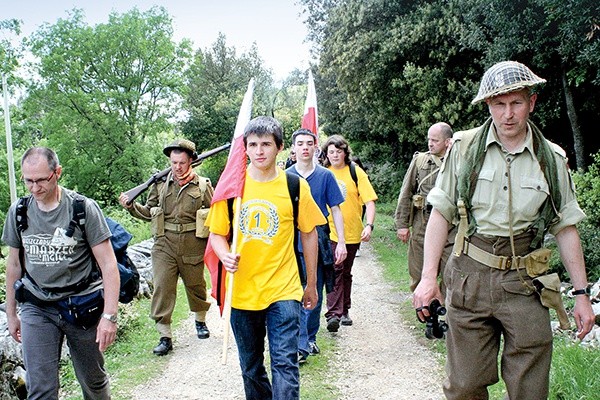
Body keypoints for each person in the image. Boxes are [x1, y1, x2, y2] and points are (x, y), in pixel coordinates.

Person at [413, 61, 595, 399]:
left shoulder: (551, 159)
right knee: (464, 386)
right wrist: (427, 278)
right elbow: (441, 212)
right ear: (488, 106)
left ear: (532, 103)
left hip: (525, 281)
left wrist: (582, 295)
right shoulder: (464, 149)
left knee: (530, 388)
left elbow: (566, 227)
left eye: (516, 103)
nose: (507, 114)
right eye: (498, 104)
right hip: (470, 275)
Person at [206, 116, 325, 399]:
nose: (259, 151)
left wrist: (310, 283)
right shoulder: (232, 188)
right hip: (242, 291)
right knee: (251, 367)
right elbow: (216, 234)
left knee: (285, 363)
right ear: (245, 149)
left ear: (280, 148)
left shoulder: (295, 186)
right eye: (253, 144)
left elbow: (309, 234)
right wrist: (224, 256)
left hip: (283, 288)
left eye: (266, 144)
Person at [2, 147, 119, 399]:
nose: (34, 188)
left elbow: (109, 264)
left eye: (41, 180)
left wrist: (109, 315)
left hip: (82, 304)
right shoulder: (19, 212)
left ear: (57, 173)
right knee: (40, 388)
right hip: (37, 306)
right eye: (28, 181)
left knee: (93, 381)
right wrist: (11, 314)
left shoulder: (82, 208)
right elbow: (13, 265)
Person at [119, 139, 213, 356]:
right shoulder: (160, 185)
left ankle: (200, 321)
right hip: (164, 243)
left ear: (191, 161)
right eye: (173, 162)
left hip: (193, 243)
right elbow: (148, 211)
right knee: (162, 287)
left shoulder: (202, 185)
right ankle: (165, 335)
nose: (177, 167)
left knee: (196, 284)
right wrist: (132, 207)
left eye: (181, 162)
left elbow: (216, 211)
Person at [287, 128, 347, 363]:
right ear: (293, 148)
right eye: (299, 143)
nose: (304, 147)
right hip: (292, 239)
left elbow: (335, 208)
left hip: (319, 238)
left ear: (315, 147)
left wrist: (340, 241)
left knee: (316, 287)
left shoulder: (325, 176)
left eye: (308, 143)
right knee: (296, 289)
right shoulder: (286, 176)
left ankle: (309, 337)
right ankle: (299, 343)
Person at [321, 135, 378, 331]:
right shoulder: (323, 172)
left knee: (345, 271)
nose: (335, 155)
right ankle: (333, 314)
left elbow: (370, 200)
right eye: (331, 152)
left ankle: (344, 309)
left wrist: (369, 225)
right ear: (326, 154)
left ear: (345, 152)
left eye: (338, 151)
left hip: (352, 231)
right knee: (335, 269)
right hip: (329, 231)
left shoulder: (356, 172)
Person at [395, 122, 453, 292]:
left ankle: (443, 308)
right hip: (422, 223)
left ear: (448, 142)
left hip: (451, 226)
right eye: (429, 139)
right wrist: (402, 225)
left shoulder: (456, 162)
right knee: (418, 269)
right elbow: (406, 192)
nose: (430, 143)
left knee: (450, 271)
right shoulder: (420, 160)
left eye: (435, 140)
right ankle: (424, 310)